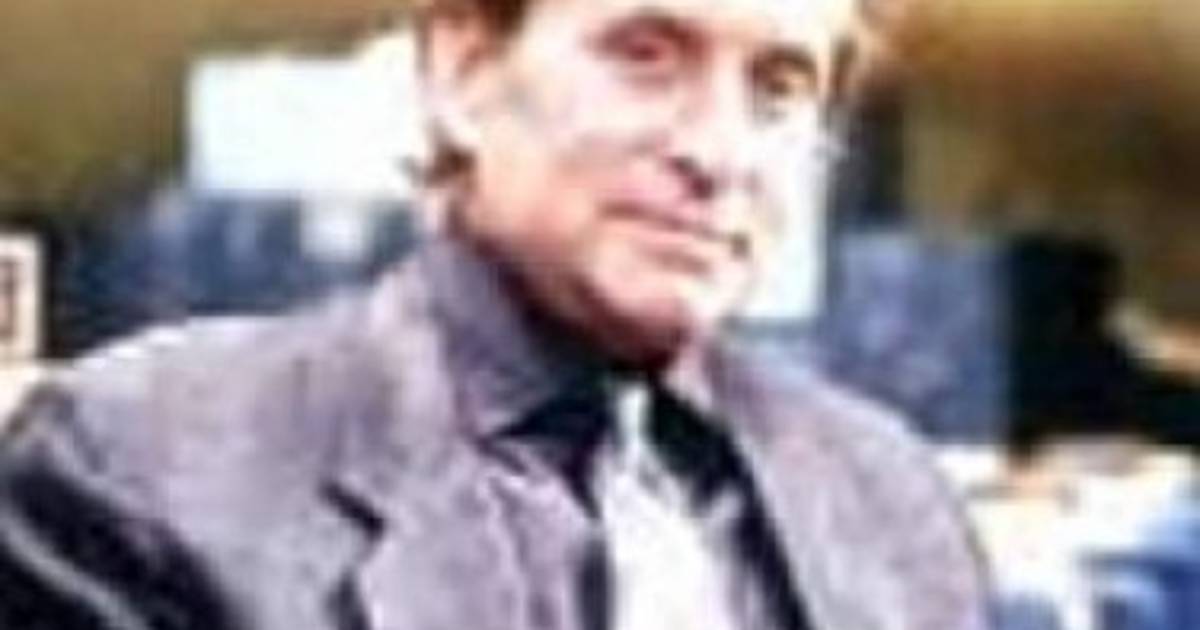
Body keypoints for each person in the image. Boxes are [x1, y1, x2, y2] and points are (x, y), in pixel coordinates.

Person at [0, 0, 991, 629]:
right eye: (646, 54)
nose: (721, 152)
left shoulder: (894, 500)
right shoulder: (142, 473)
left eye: (778, 90)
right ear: (463, 74)